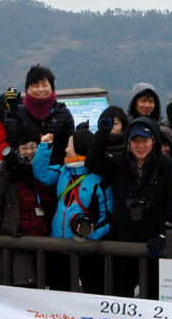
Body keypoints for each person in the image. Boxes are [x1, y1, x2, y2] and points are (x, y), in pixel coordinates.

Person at [83, 114, 172, 298]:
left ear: (154, 140)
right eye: (134, 140)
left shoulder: (169, 167)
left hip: (153, 247)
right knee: (120, 300)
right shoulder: (120, 162)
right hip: (122, 246)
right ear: (128, 143)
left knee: (153, 301)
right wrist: (102, 134)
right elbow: (92, 163)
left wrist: (162, 233)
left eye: (144, 140)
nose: (140, 145)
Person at [32, 123, 113, 292]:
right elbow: (41, 173)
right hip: (59, 247)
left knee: (93, 294)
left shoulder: (99, 179)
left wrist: (91, 234)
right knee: (59, 295)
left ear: (80, 147)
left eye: (69, 145)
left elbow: (108, 217)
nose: (66, 150)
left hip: (87, 249)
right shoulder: (63, 171)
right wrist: (44, 146)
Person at [0, 125, 56, 287]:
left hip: (47, 245)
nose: (29, 152)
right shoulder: (7, 175)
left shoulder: (47, 173)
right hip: (17, 248)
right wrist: (6, 165)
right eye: (24, 148)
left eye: (33, 147)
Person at [0, 64, 76, 159]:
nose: (41, 90)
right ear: (28, 89)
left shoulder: (63, 114)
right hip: (25, 168)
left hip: (55, 169)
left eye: (44, 85)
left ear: (52, 88)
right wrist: (11, 115)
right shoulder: (19, 112)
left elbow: (69, 146)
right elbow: (11, 142)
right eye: (36, 86)